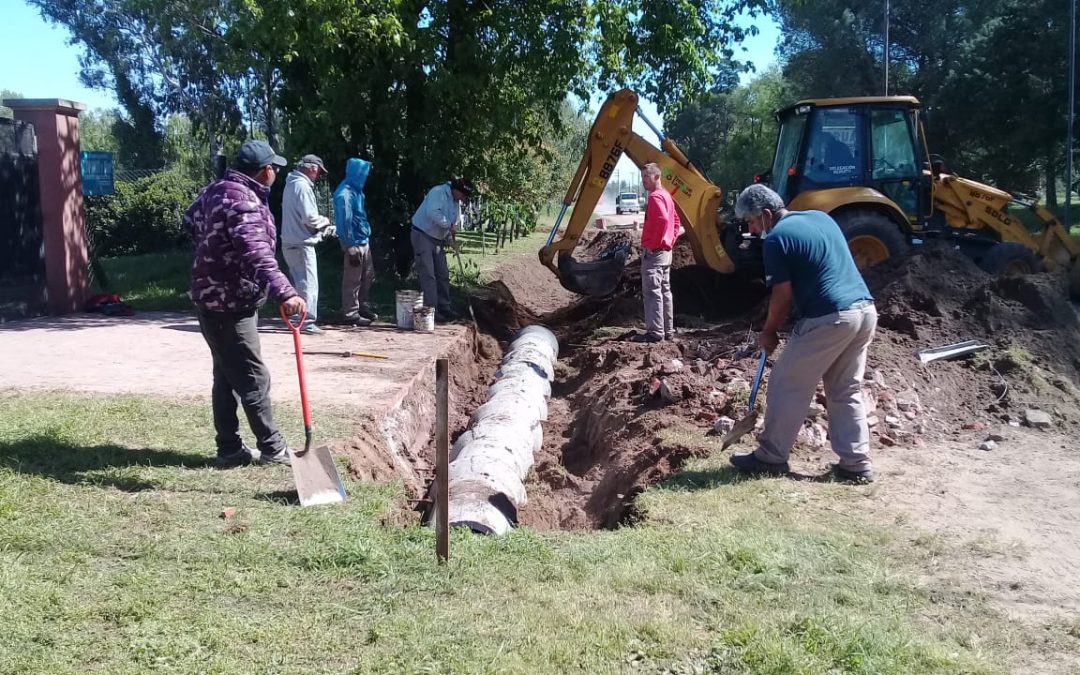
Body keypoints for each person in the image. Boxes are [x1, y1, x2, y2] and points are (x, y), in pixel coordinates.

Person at [728, 184, 877, 483]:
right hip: (865, 312)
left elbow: (782, 296)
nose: (753, 230)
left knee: (787, 383)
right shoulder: (820, 218)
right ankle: (856, 464)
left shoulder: (777, 239)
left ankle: (770, 456)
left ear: (767, 215)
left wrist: (769, 332)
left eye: (752, 222)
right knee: (845, 389)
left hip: (830, 317)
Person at [183, 139, 304, 468]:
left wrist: (215, 253)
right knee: (252, 377)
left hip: (212, 296)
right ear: (266, 171)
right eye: (275, 168)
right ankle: (273, 448)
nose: (275, 173)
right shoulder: (244, 200)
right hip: (228, 303)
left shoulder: (216, 189)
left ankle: (229, 449)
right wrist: (286, 292)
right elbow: (257, 254)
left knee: (226, 375)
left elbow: (190, 220)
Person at [281, 154, 334, 335]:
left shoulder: (291, 184)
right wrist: (325, 221)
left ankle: (297, 318)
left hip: (290, 241)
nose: (318, 175)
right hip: (301, 243)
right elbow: (309, 217)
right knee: (308, 284)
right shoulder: (302, 186)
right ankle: (306, 320)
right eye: (318, 171)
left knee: (298, 282)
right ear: (312, 168)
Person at [410, 178, 475, 322]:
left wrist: (451, 240)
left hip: (438, 239)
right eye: (463, 196)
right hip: (423, 235)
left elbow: (452, 225)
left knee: (443, 273)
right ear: (457, 190)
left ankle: (444, 307)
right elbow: (433, 213)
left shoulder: (455, 202)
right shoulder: (438, 192)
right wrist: (449, 225)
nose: (463, 200)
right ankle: (432, 309)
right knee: (429, 274)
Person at [634, 162, 681, 343]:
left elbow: (662, 219)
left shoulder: (655, 197)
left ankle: (655, 333)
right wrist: (670, 240)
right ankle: (667, 331)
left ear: (656, 176)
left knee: (652, 292)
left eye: (646, 176)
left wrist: (654, 244)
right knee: (664, 290)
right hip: (665, 251)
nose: (643, 181)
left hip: (655, 252)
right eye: (642, 177)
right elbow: (675, 221)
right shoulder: (666, 196)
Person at [333, 158, 378, 326]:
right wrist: (350, 245)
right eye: (363, 174)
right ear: (356, 173)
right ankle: (351, 313)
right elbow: (344, 222)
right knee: (353, 279)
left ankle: (361, 306)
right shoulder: (344, 195)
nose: (365, 177)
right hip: (353, 243)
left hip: (363, 240)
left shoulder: (357, 191)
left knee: (368, 275)